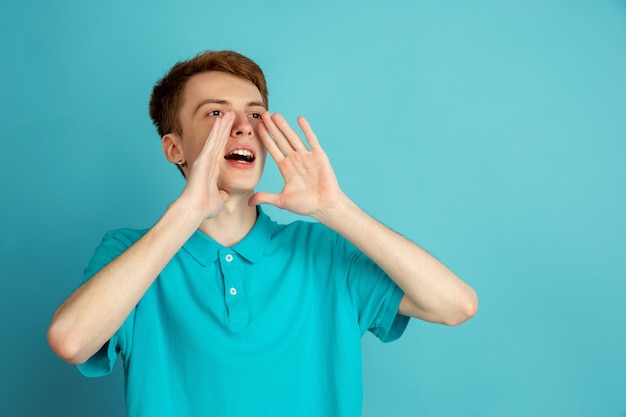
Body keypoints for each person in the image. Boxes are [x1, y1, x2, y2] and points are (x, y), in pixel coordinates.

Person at [47, 50, 478, 417]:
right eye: (216, 113)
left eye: (254, 114)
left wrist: (336, 209)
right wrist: (186, 214)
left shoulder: (324, 252)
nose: (243, 126)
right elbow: (70, 341)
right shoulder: (130, 253)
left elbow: (455, 305)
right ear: (174, 147)